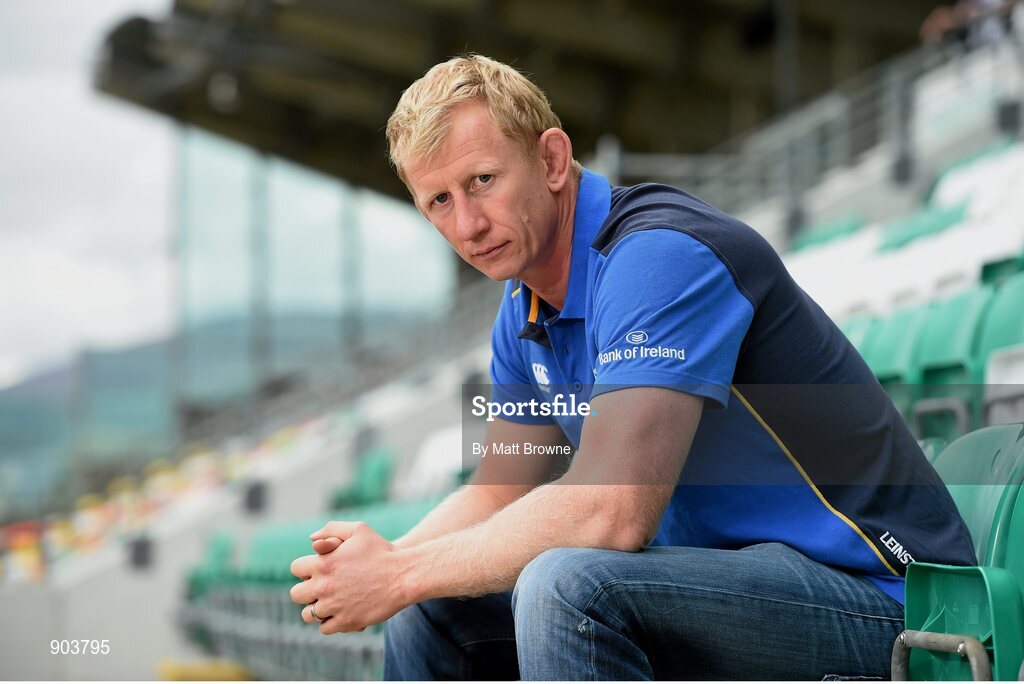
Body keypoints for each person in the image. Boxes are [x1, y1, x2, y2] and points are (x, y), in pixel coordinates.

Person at [289, 54, 976, 680]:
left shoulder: (659, 254)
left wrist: (401, 572)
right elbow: (496, 491)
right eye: (440, 201)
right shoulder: (521, 308)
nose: (467, 224)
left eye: (483, 181)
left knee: (567, 586)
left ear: (552, 160)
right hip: (731, 588)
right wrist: (383, 564)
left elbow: (613, 514)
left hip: (887, 598)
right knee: (431, 609)